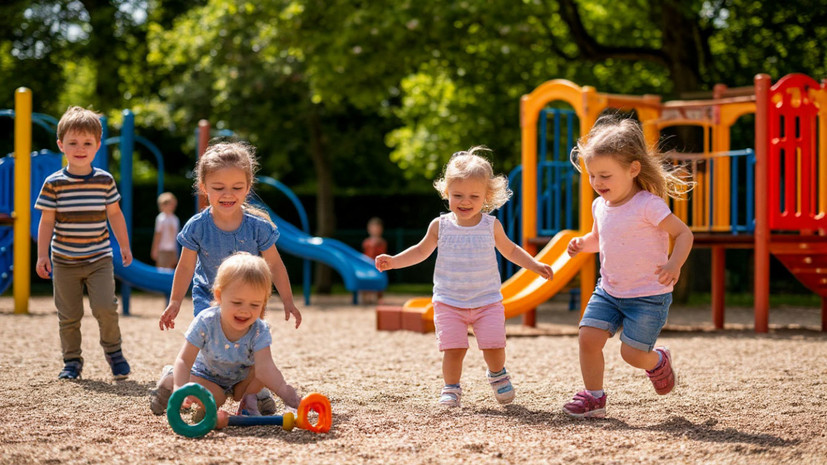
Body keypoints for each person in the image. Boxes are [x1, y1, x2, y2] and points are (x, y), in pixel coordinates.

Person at [375, 147, 553, 408]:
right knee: (453, 349)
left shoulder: (491, 226)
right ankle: (451, 388)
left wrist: (534, 265)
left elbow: (511, 250)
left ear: (487, 196)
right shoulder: (440, 226)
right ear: (447, 193)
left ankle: (497, 374)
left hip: (487, 301)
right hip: (449, 301)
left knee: (494, 346)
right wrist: (394, 261)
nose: (465, 201)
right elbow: (421, 251)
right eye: (458, 195)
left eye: (473, 196)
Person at [562, 115, 694, 418]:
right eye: (593, 176)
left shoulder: (649, 205)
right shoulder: (599, 206)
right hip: (609, 290)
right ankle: (594, 397)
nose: (597, 183)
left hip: (648, 295)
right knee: (588, 338)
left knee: (632, 355)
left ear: (633, 169)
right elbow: (600, 238)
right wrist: (583, 244)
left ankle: (658, 361)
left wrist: (675, 263)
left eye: (605, 176)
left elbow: (684, 233)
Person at [158, 141, 302, 414]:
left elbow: (275, 265)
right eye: (218, 188)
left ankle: (249, 395)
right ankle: (181, 379)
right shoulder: (198, 226)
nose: (228, 194)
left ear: (248, 187)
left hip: (249, 299)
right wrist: (175, 301)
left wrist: (288, 300)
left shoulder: (257, 227)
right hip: (210, 298)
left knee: (252, 343)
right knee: (215, 349)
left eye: (237, 187)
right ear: (204, 187)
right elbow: (185, 266)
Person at [35, 106, 133, 380]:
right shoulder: (53, 183)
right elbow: (46, 222)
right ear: (61, 145)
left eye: (87, 143)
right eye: (73, 143)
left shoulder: (104, 180)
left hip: (98, 259)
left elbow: (115, 214)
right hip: (64, 261)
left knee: (105, 307)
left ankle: (114, 353)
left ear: (97, 145)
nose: (80, 148)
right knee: (69, 315)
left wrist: (124, 246)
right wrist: (42, 255)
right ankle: (72, 361)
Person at [150, 252, 301, 417]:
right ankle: (172, 378)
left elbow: (266, 368)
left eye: (255, 304)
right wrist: (181, 388)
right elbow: (184, 361)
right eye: (237, 302)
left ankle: (247, 403)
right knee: (216, 398)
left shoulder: (259, 329)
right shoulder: (207, 322)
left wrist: (286, 393)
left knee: (261, 374)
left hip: (239, 381)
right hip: (205, 376)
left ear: (263, 302)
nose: (245, 310)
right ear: (219, 296)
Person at [150, 192, 180, 270]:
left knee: (170, 269)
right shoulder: (161, 218)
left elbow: (175, 237)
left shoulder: (175, 219)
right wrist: (155, 249)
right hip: (162, 249)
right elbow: (158, 235)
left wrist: (176, 252)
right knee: (161, 269)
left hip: (172, 250)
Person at [361, 217, 387, 303]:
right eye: (373, 228)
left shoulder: (382, 242)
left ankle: (379, 298)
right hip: (367, 265)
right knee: (365, 280)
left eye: (377, 228)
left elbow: (382, 253)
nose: (375, 230)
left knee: (379, 280)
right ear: (369, 229)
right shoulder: (366, 242)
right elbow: (365, 254)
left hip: (378, 266)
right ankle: (365, 298)